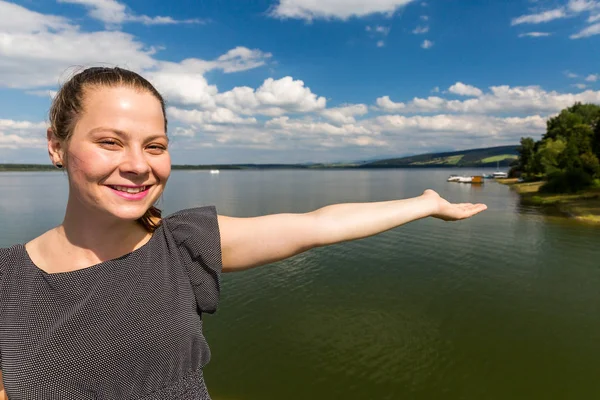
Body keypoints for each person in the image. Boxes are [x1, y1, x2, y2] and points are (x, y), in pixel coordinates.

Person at [0, 67, 487, 400]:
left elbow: (316, 226)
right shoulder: (6, 279)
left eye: (155, 145)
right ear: (56, 146)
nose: (137, 165)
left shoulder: (182, 246)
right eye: (109, 142)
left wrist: (426, 204)